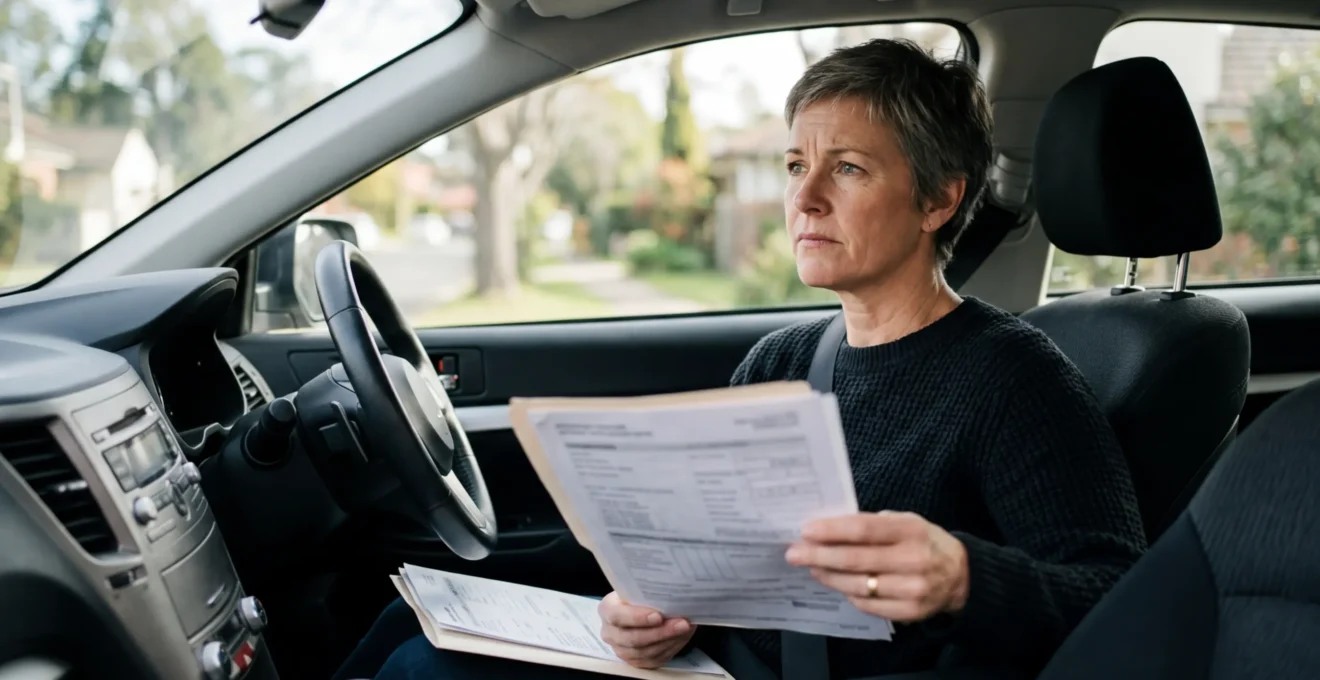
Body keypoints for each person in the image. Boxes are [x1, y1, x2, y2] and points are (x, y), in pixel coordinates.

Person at [332, 38, 1146, 680]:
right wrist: (645, 613)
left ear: (939, 199)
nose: (804, 198)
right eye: (796, 166)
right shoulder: (783, 359)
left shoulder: (1014, 379)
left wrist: (965, 578)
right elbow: (706, 568)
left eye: (848, 168)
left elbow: (1127, 599)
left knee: (423, 668)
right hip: (709, 663)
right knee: (406, 621)